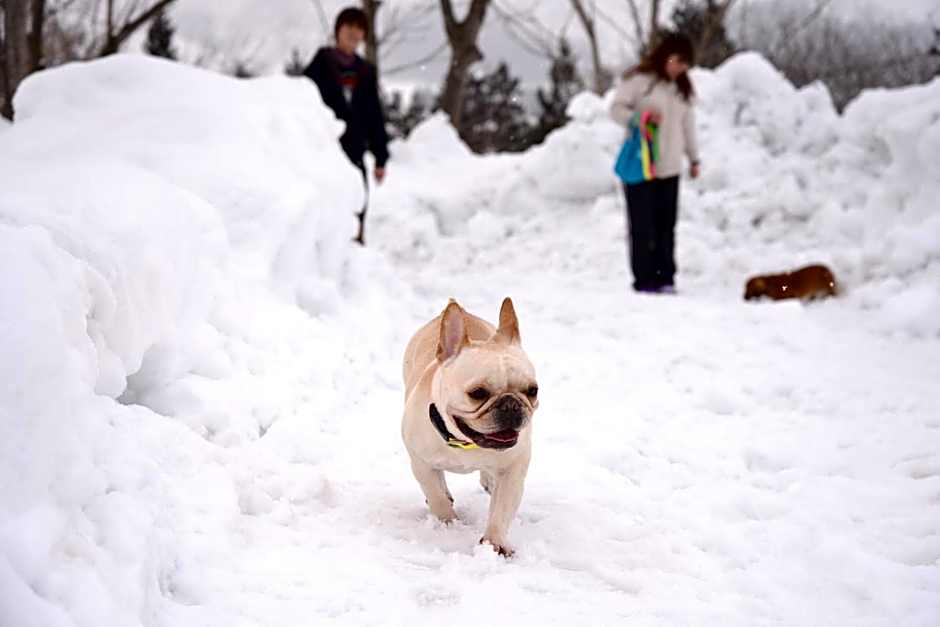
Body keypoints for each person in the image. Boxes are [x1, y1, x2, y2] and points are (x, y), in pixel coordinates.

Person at [610, 32, 700, 294]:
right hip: (642, 166)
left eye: (685, 64)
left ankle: (666, 277)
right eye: (678, 61)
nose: (680, 68)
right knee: (641, 226)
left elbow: (688, 125)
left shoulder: (682, 89)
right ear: (666, 56)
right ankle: (644, 278)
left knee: (665, 226)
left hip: (670, 167)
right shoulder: (640, 82)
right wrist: (641, 118)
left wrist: (694, 158)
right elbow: (616, 109)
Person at [304, 7, 389, 246]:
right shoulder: (320, 64)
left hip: (355, 154)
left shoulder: (366, 72)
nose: (354, 33)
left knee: (356, 211)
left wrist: (381, 157)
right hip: (325, 153)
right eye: (349, 27)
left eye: (359, 29)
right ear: (338, 30)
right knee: (325, 212)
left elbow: (374, 116)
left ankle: (354, 259)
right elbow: (302, 103)